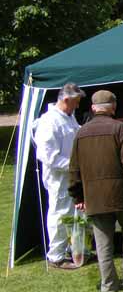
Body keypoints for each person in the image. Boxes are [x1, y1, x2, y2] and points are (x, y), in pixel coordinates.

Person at [68, 90, 123, 292]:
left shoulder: (81, 132)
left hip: (94, 197)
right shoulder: (120, 128)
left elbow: (74, 168)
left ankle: (109, 284)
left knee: (103, 243)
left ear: (93, 108)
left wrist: (78, 195)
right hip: (121, 194)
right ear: (113, 107)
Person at [33, 83, 86, 269]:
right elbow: (48, 157)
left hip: (72, 175)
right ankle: (56, 255)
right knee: (59, 214)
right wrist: (75, 166)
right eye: (76, 102)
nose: (78, 106)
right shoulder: (50, 122)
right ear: (66, 100)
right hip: (59, 177)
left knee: (76, 213)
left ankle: (77, 249)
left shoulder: (68, 117)